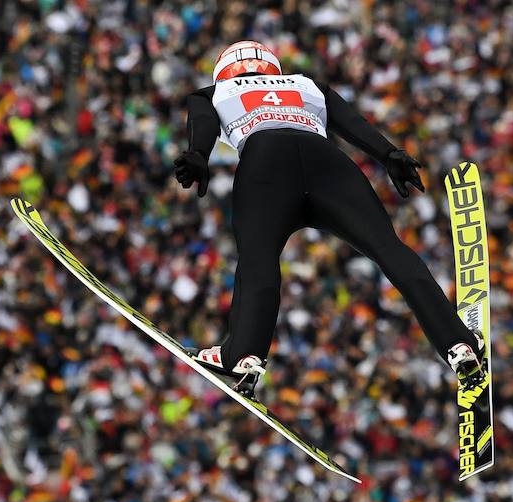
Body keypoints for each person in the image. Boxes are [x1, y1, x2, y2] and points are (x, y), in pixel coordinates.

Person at [174, 41, 484, 398]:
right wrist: (389, 153)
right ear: (273, 67)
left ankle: (244, 354)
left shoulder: (212, 92)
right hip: (329, 165)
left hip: (266, 163)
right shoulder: (306, 83)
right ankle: (459, 344)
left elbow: (202, 121)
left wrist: (198, 154)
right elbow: (351, 122)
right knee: (389, 249)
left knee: (258, 258)